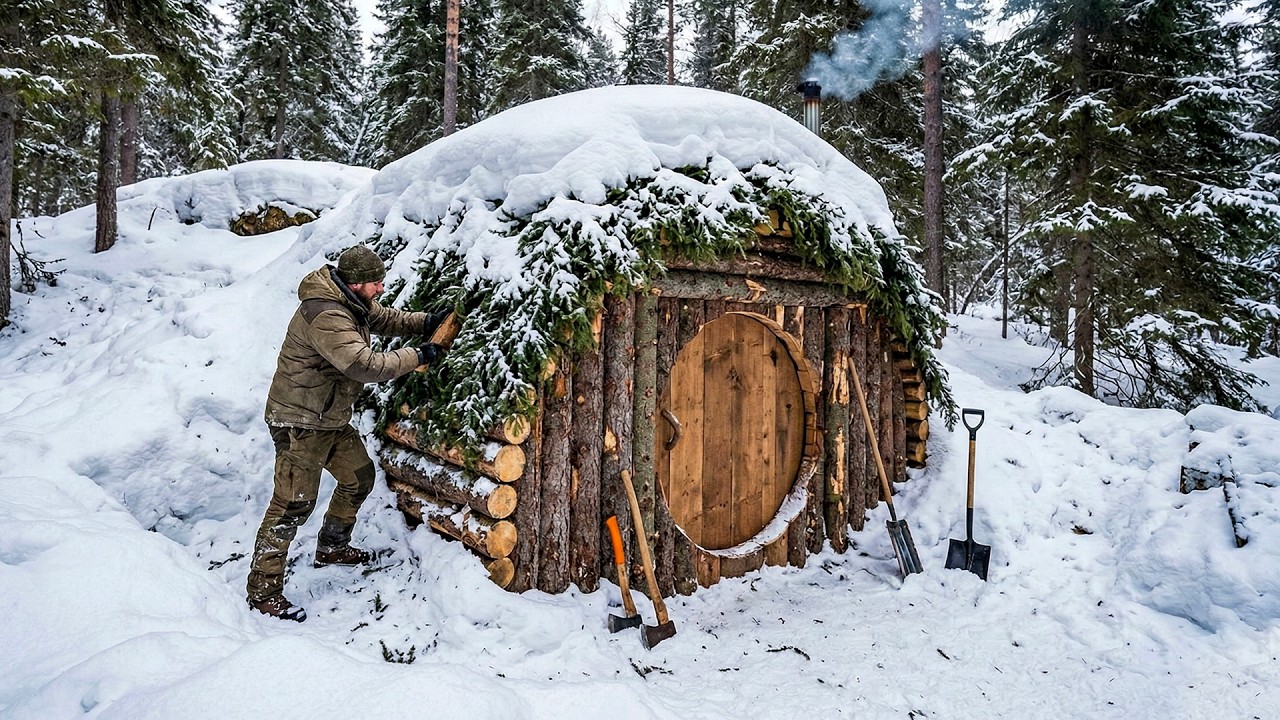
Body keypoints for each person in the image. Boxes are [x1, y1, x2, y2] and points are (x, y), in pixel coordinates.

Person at [246, 245, 447, 622]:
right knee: (292, 504)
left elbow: (385, 318)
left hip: (328, 418)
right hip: (300, 423)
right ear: (356, 284)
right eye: (376, 283)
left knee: (359, 477)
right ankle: (263, 591)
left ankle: (332, 547)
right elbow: (362, 364)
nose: (381, 289)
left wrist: (427, 321)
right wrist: (420, 355)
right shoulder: (326, 315)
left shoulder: (350, 302)